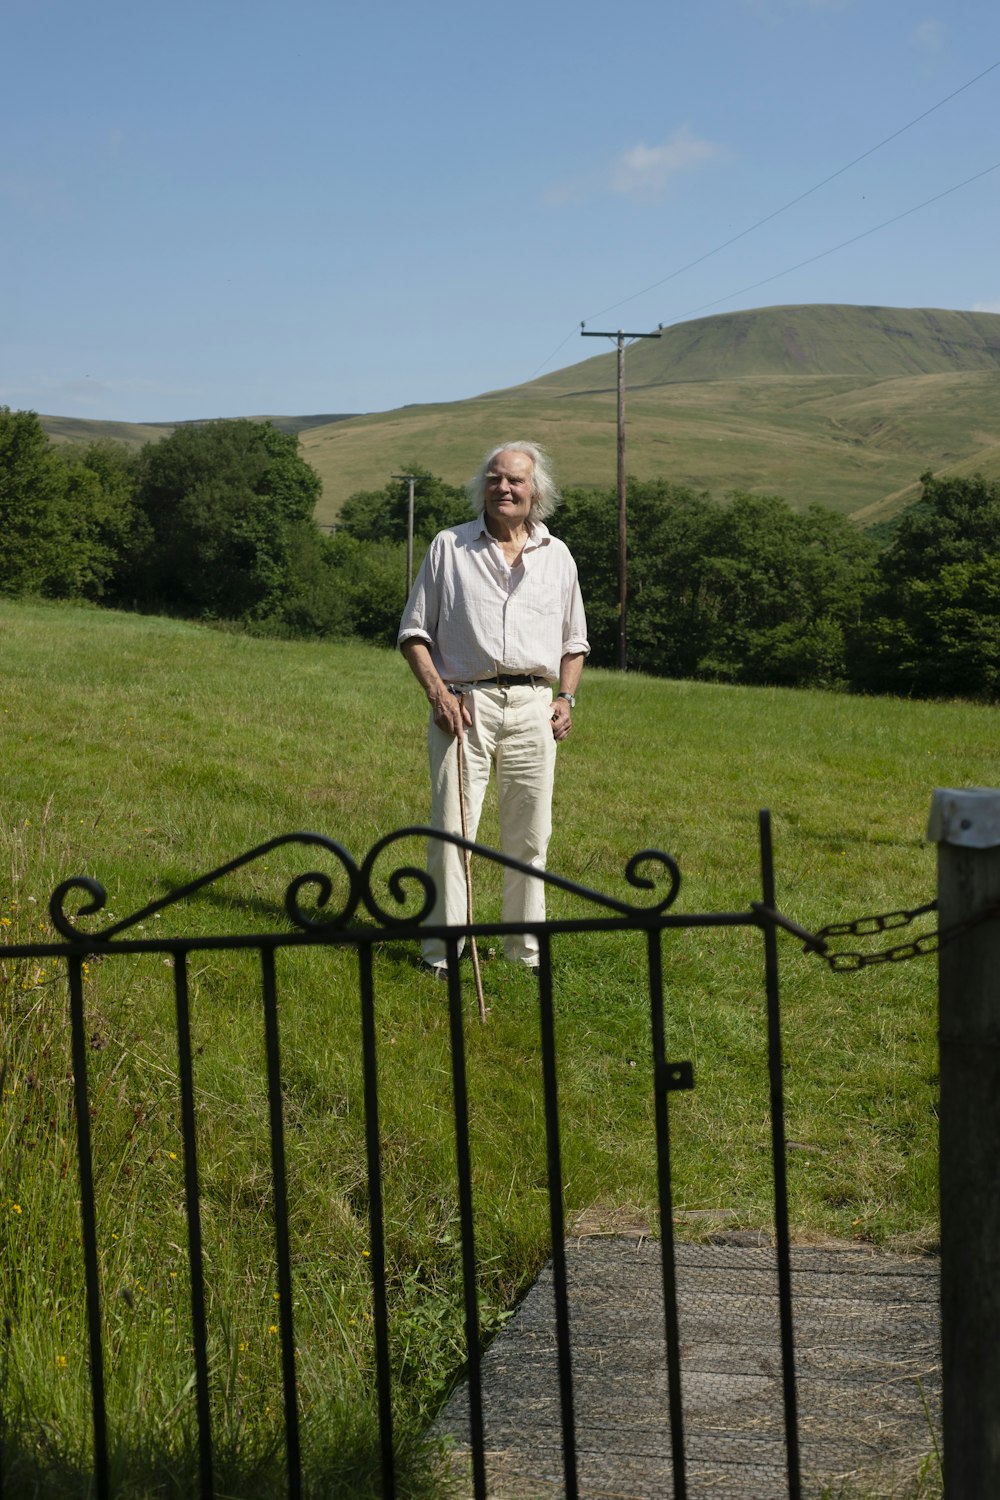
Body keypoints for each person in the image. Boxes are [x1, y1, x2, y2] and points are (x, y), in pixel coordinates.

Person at [397, 441, 589, 975]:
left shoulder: (558, 555)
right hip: (463, 706)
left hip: (534, 708)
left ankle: (523, 953)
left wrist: (566, 697)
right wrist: (438, 692)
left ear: (536, 492)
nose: (504, 488)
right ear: (483, 485)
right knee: (451, 834)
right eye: (495, 478)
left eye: (516, 481)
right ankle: (441, 954)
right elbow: (414, 633)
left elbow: (574, 641)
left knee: (529, 838)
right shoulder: (449, 547)